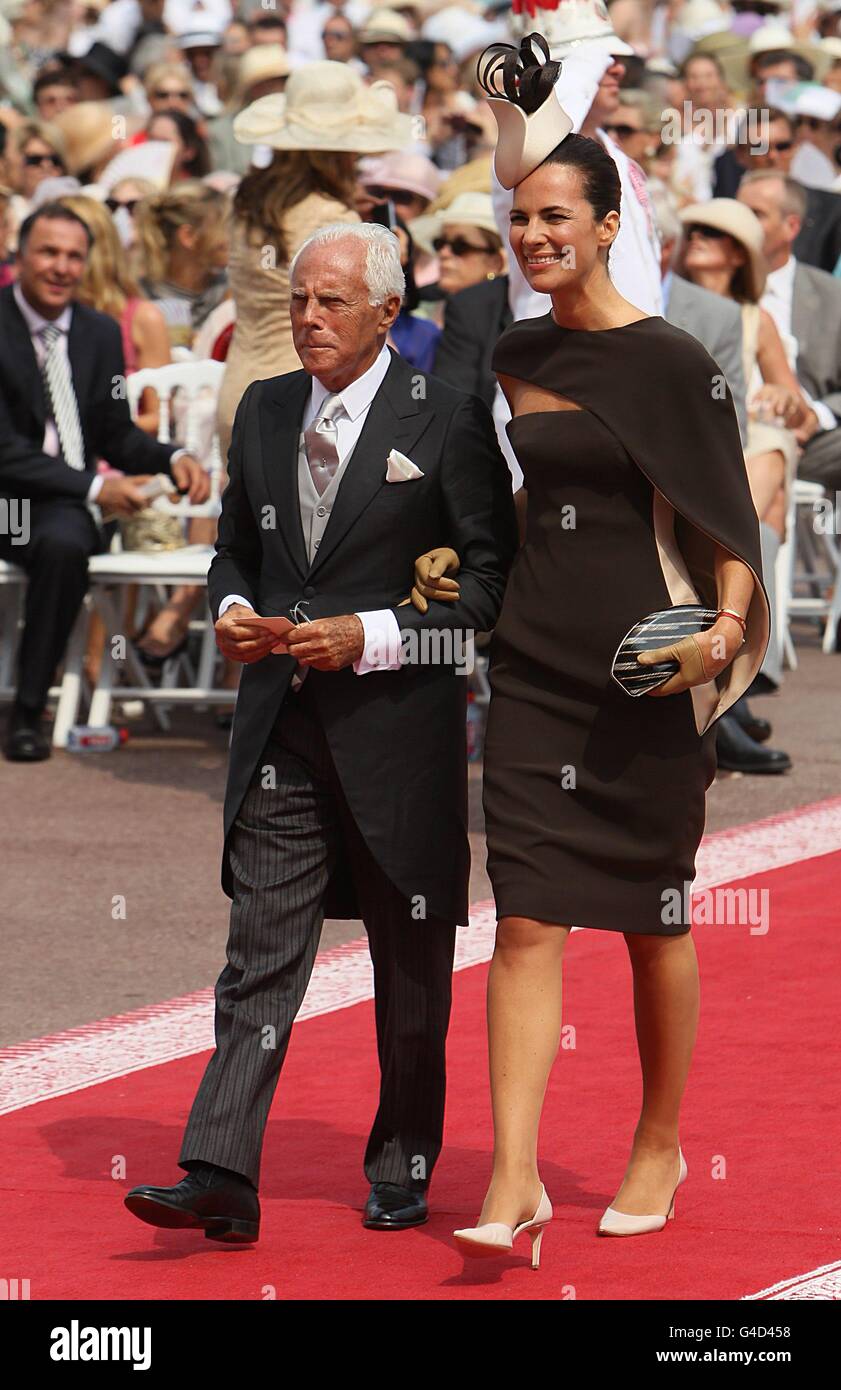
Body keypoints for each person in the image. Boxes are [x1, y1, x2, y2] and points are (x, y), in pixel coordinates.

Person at [123, 221, 518, 1243]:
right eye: (300, 298)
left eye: (331, 301)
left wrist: (370, 635)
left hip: (401, 738)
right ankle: (220, 1168)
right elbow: (231, 558)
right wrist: (227, 617)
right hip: (279, 736)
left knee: (410, 969)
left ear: (388, 313)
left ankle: (404, 1159)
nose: (307, 317)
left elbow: (485, 593)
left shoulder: (447, 416)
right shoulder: (259, 410)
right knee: (258, 957)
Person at [448, 47, 770, 1264]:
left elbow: (722, 525)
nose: (531, 236)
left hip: (648, 669)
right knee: (525, 918)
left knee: (652, 920)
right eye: (519, 219)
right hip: (535, 665)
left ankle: (658, 1139)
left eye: (553, 218)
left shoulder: (671, 362)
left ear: (604, 223)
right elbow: (531, 512)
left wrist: (723, 636)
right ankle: (517, 1176)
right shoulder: (517, 358)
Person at [0, 203, 207, 762]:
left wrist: (174, 456)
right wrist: (96, 489)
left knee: (66, 543)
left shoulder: (95, 332)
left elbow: (114, 432)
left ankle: (27, 714)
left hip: (59, 505)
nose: (61, 267)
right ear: (19, 255)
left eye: (74, 255)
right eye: (49, 252)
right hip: (4, 499)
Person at [216, 59, 415, 459]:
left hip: (239, 386)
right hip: (302, 393)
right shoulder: (330, 216)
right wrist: (392, 257)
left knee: (254, 517)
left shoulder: (245, 199)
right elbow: (367, 307)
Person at [677, 196, 808, 760]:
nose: (698, 238)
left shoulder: (757, 320)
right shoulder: (660, 302)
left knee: (773, 451)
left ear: (737, 254)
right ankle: (744, 682)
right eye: (694, 229)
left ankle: (735, 682)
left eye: (714, 233)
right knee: (764, 516)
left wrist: (781, 396)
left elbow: (799, 411)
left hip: (750, 440)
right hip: (703, 452)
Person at [737, 169, 841, 497]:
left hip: (815, 443)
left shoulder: (831, 296)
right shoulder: (711, 284)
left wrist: (816, 416)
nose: (743, 224)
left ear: (791, 227)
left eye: (757, 214)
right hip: (732, 435)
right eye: (739, 211)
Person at [135, 181, 229, 349]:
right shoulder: (141, 298)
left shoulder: (232, 292)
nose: (235, 238)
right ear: (189, 236)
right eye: (226, 228)